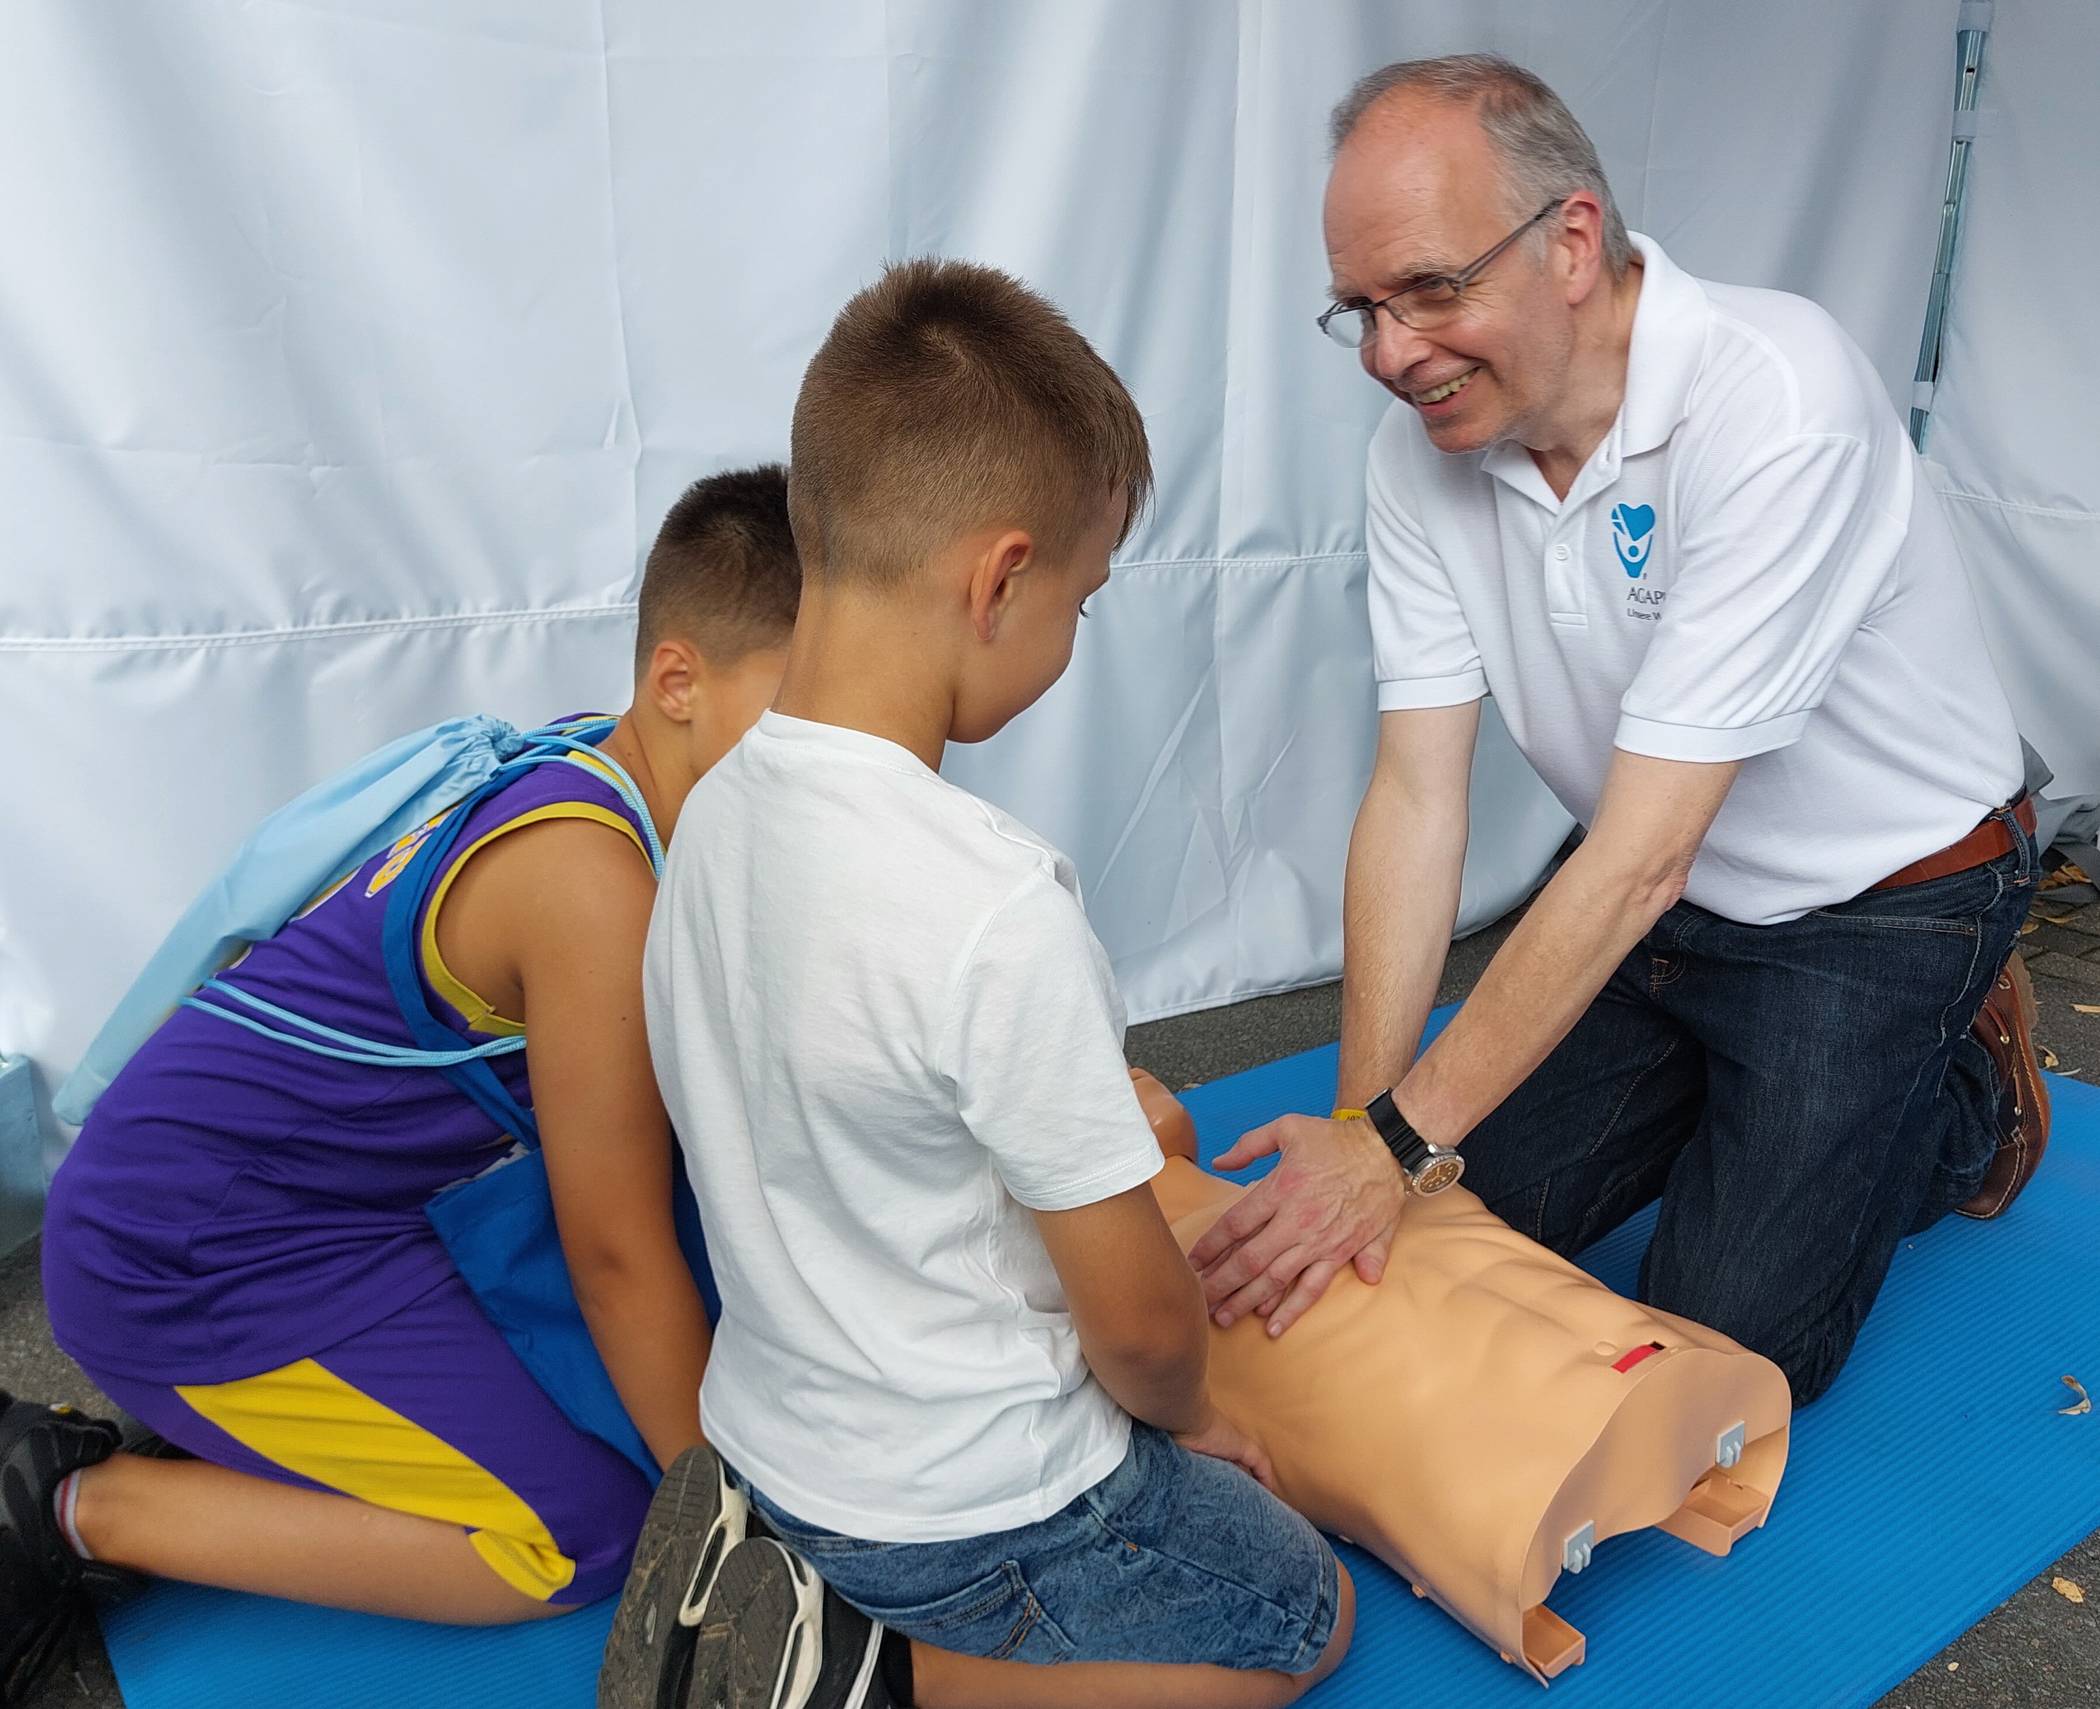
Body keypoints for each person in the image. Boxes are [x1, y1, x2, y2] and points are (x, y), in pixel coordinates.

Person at [1188, 55, 2045, 1407]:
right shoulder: (1420, 456)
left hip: (1882, 905)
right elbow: (1417, 796)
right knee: (1453, 1214)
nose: (1392, 353)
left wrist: (1400, 1139)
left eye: (1430, 288)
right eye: (1360, 308)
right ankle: (1749, 1103)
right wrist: (1368, 1133)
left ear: (1572, 241)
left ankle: (1959, 1102)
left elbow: (1640, 850)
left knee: (1725, 1345)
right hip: (1662, 896)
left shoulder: (1776, 395)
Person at [609, 260, 1354, 1709]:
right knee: (1302, 1620)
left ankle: (782, 1577)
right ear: (1001, 579)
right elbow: (1138, 1331)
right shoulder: (991, 900)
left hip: (770, 1436)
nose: (1073, 636)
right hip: (972, 1502)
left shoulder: (706, 813)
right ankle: (878, 1680)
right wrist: (1198, 1415)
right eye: (1082, 599)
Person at [1, 468, 800, 1698]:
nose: (836, 760)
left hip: (313, 1212)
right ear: (677, 681)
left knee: (639, 1381)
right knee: (579, 1531)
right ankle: (67, 1499)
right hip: (179, 1257)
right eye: (801, 717)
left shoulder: (607, 777)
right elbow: (616, 1251)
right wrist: (732, 1518)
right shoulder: (591, 884)